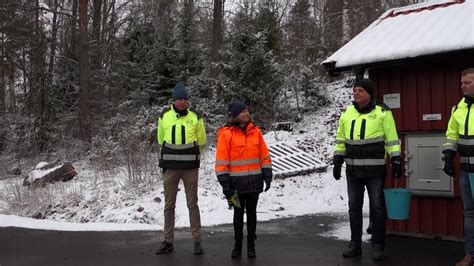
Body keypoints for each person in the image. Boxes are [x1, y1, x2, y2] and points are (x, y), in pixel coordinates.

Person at [333, 78, 402, 261]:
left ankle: (378, 246)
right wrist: (338, 160)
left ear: (369, 93)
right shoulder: (347, 113)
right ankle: (355, 244)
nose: (356, 93)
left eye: (360, 90)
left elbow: (392, 138)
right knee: (353, 208)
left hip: (375, 171)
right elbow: (341, 139)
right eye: (354, 90)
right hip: (353, 171)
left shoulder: (382, 112)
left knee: (378, 208)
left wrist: (396, 159)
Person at [215, 100, 273, 259]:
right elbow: (221, 162)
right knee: (237, 214)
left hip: (254, 183)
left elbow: (264, 155)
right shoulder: (226, 134)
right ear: (235, 116)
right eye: (243, 111)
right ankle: (237, 245)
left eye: (247, 110)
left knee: (252, 213)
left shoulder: (256, 132)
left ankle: (251, 245)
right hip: (234, 187)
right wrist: (225, 185)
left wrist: (267, 175)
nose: (247, 113)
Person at [155, 82, 207, 255]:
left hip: (190, 168)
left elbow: (201, 141)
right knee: (169, 206)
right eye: (179, 99)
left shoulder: (196, 116)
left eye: (185, 99)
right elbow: (161, 139)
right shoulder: (164, 116)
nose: (183, 102)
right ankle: (168, 241)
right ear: (173, 100)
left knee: (193, 204)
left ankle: (197, 241)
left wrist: (193, 157)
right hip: (170, 169)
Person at [443, 68, 474, 266]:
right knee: (470, 214)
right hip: (465, 170)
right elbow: (452, 134)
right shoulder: (459, 108)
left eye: (467, 82)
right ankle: (470, 255)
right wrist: (448, 157)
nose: (462, 86)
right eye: (462, 83)